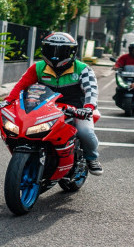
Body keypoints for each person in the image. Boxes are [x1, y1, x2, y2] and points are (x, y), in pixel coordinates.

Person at [0, 32, 103, 175]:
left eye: (61, 51)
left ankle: (92, 158)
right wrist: (7, 101)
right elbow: (21, 86)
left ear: (72, 52)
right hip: (46, 108)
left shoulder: (83, 69)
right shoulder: (38, 67)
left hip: (76, 109)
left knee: (85, 132)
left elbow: (91, 91)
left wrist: (88, 108)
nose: (56, 56)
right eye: (51, 50)